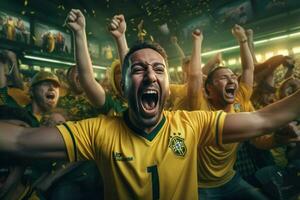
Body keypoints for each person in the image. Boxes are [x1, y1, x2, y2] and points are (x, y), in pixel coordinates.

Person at [1, 9, 300, 199]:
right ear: (124, 85)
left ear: (169, 85)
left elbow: (263, 120)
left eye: (159, 70)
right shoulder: (99, 131)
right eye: (139, 70)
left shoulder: (192, 124)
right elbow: (20, 140)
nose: (150, 76)